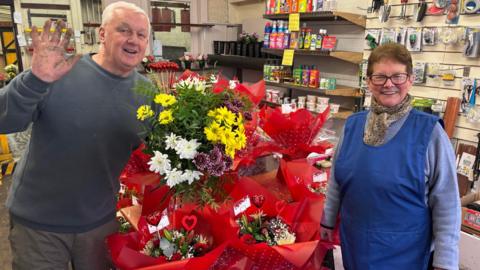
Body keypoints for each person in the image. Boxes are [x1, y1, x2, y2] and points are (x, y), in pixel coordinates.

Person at [0, 2, 151, 269]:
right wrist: (34, 80)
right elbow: (6, 120)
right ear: (102, 34)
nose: (133, 40)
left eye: (141, 35)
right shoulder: (58, 71)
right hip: (39, 224)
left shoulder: (148, 93)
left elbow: (158, 153)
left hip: (100, 222)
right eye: (124, 30)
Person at [320, 43, 460, 270]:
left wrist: (445, 262)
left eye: (398, 76)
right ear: (368, 81)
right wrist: (326, 221)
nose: (388, 84)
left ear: (411, 80)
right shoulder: (352, 126)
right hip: (355, 246)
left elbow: (447, 204)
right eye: (380, 77)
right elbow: (337, 180)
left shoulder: (430, 133)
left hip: (405, 255)